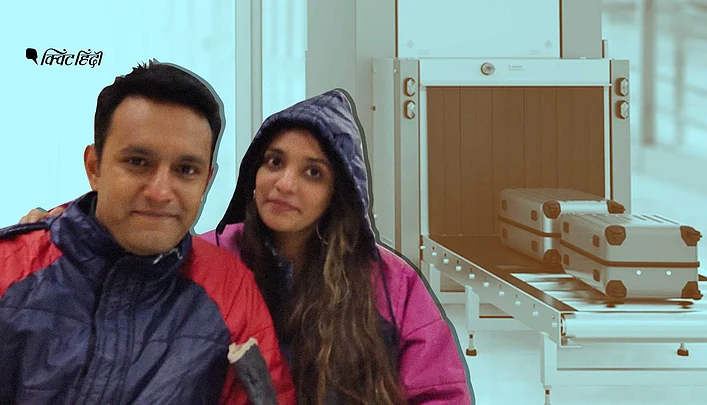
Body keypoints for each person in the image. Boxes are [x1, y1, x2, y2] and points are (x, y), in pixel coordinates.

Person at [20, 89, 473, 404]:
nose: (285, 184)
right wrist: (60, 224)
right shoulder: (207, 259)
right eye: (274, 162)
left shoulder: (392, 283)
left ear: (339, 193)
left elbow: (441, 393)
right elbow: (129, 241)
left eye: (313, 172)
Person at [1, 61, 295, 404]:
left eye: (186, 169)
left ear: (206, 181)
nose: (160, 192)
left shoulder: (231, 291)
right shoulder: (11, 269)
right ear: (94, 167)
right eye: (138, 162)